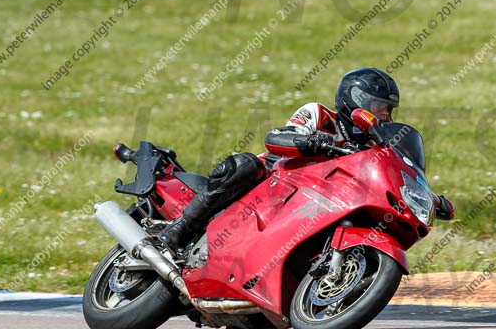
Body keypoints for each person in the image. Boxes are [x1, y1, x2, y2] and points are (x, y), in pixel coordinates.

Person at [158, 67, 454, 253]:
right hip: (270, 182)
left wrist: (425, 196)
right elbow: (276, 137)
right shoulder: (320, 115)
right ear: (356, 100)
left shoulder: (371, 145)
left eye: (388, 111)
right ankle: (179, 230)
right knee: (245, 165)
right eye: (377, 107)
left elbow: (392, 170)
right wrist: (312, 141)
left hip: (309, 206)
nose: (383, 116)